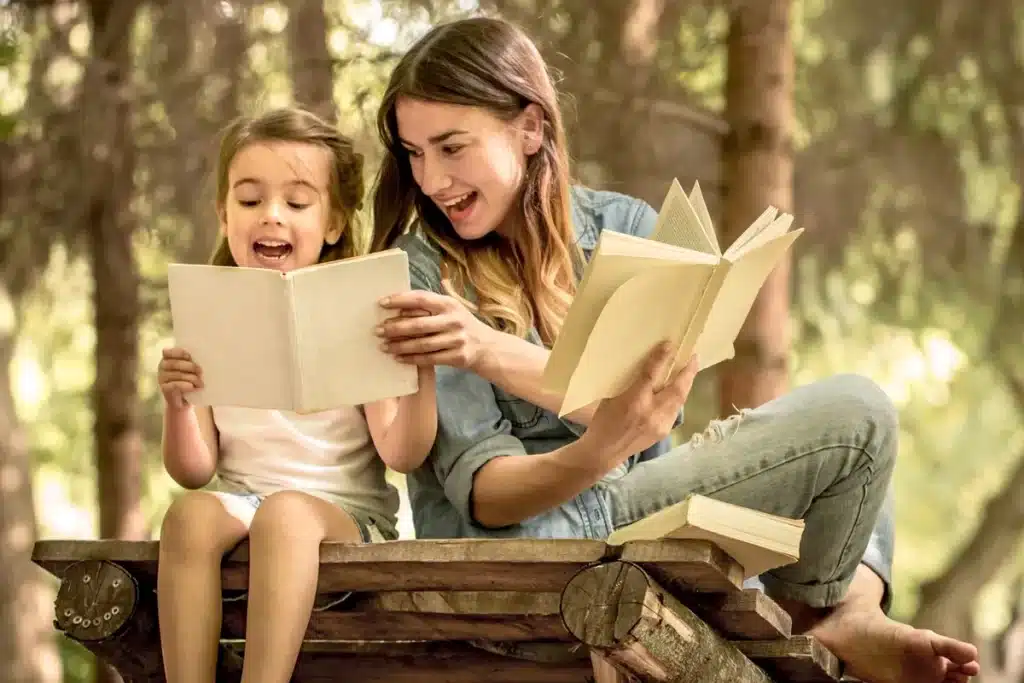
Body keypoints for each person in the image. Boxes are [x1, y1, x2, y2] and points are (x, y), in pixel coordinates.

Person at [369, 16, 980, 683]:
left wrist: (491, 351)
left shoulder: (626, 227)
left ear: (531, 128)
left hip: (643, 516)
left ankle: (849, 613)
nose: (432, 180)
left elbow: (652, 416)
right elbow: (485, 494)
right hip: (540, 546)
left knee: (847, 451)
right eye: (415, 154)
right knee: (857, 417)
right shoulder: (420, 268)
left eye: (452, 148)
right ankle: (836, 617)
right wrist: (598, 446)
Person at [156, 107, 437, 683]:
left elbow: (402, 453)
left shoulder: (359, 313)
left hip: (345, 515)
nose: (271, 215)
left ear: (333, 222)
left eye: (297, 202)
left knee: (284, 515)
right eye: (250, 199)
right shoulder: (209, 317)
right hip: (243, 502)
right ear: (224, 214)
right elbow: (194, 470)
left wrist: (421, 374)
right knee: (188, 516)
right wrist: (178, 405)